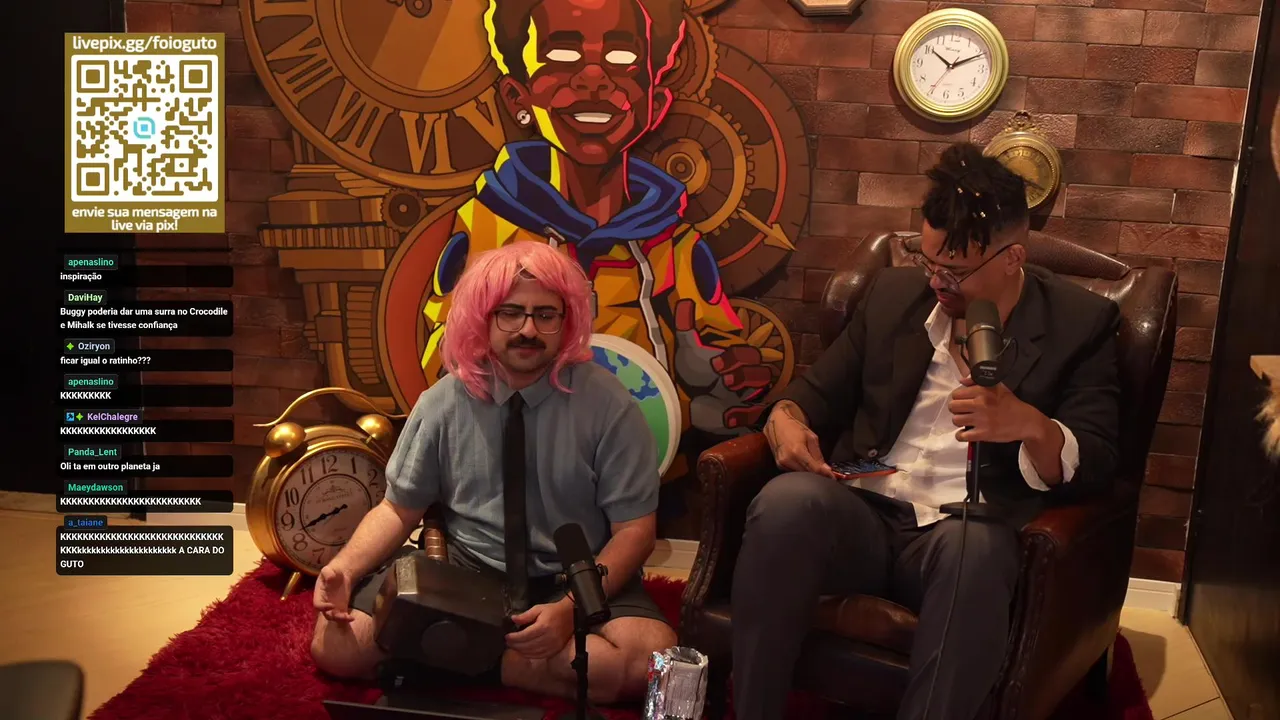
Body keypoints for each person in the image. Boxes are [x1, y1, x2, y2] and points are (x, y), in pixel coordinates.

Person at [731, 142, 1122, 720]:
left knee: (973, 552)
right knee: (786, 502)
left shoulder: (1079, 323)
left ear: (1012, 257)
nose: (938, 280)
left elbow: (1100, 459)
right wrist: (784, 421)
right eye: (929, 260)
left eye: (956, 271)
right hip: (863, 511)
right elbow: (811, 396)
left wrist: (1031, 425)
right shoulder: (893, 296)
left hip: (960, 532)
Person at [381, 0, 775, 441]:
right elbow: (447, 361)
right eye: (562, 55)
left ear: (654, 101)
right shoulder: (488, 226)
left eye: (622, 57)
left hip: (645, 464)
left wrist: (718, 380)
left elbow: (714, 354)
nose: (593, 78)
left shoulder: (673, 242)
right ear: (518, 98)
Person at [310, 242, 677, 703]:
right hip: (464, 574)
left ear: (567, 321)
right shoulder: (441, 403)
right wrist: (344, 569)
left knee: (651, 664)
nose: (529, 329)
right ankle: (513, 663)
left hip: (573, 576)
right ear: (483, 318)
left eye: (546, 314)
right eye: (510, 313)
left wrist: (570, 609)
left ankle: (455, 655)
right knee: (337, 646)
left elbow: (635, 532)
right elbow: (398, 509)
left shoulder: (610, 406)